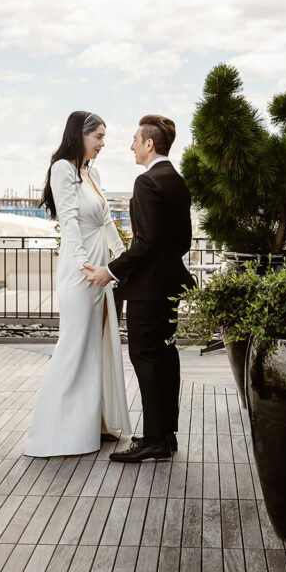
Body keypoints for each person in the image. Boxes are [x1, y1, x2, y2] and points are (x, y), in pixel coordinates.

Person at [83, 115, 195, 462]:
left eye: (134, 139)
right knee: (165, 358)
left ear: (149, 144)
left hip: (148, 290)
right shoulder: (176, 180)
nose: (130, 145)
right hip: (171, 284)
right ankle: (165, 434)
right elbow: (181, 241)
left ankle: (152, 440)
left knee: (146, 360)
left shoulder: (147, 182)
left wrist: (110, 271)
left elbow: (144, 243)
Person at [24, 111, 131, 457]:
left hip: (100, 270)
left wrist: (122, 260)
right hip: (81, 271)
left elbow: (107, 222)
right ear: (79, 135)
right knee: (75, 346)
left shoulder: (91, 172)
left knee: (97, 347)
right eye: (98, 136)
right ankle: (56, 433)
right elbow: (69, 223)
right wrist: (82, 267)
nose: (103, 143)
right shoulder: (63, 169)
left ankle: (94, 423)